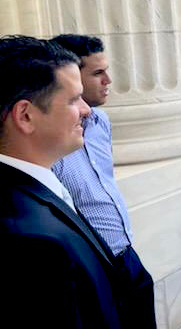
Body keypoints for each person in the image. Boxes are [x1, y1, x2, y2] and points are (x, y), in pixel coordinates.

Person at [0, 35, 121, 327]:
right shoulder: (28, 239)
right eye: (72, 99)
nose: (86, 110)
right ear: (25, 115)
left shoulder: (34, 194)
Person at [50, 34, 156, 328]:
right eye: (97, 73)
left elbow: (104, 184)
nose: (108, 79)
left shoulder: (102, 123)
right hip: (92, 271)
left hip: (127, 256)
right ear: (72, 77)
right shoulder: (53, 143)